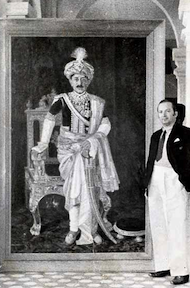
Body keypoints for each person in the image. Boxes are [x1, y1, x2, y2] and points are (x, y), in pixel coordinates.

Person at [33, 47, 120, 246]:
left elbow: (106, 123)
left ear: (88, 80)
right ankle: (74, 229)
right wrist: (44, 143)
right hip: (67, 151)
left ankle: (90, 229)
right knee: (74, 189)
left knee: (91, 189)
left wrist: (93, 139)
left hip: (89, 149)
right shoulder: (62, 99)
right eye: (75, 79)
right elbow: (49, 119)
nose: (79, 82)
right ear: (70, 80)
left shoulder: (95, 102)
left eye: (83, 78)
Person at [145, 99, 190, 285]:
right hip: (155, 181)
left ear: (175, 114)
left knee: (176, 225)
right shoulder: (155, 136)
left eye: (168, 111)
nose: (164, 115)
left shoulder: (185, 133)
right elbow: (150, 161)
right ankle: (163, 266)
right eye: (160, 112)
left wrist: (183, 179)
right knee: (158, 224)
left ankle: (180, 271)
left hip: (174, 180)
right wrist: (147, 184)